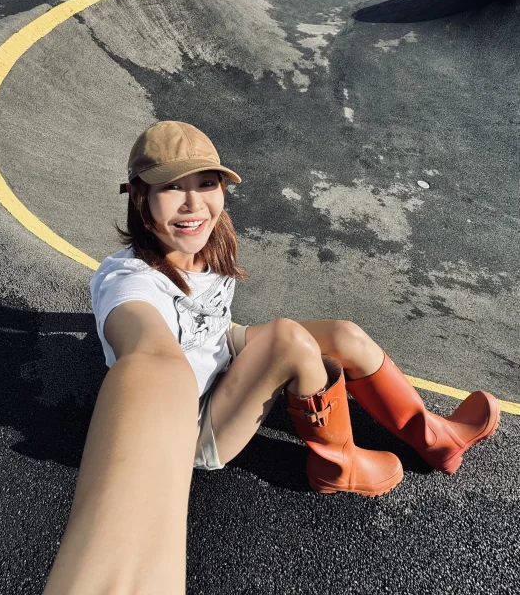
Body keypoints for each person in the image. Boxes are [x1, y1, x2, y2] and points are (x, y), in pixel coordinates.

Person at [43, 120, 500, 594]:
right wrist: (156, 376)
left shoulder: (206, 241)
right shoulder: (128, 282)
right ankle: (337, 466)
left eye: (206, 184)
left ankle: (436, 438)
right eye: (171, 188)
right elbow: (150, 355)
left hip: (217, 352)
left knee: (344, 335)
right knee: (289, 340)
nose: (194, 204)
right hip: (189, 427)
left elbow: (210, 324)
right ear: (140, 197)